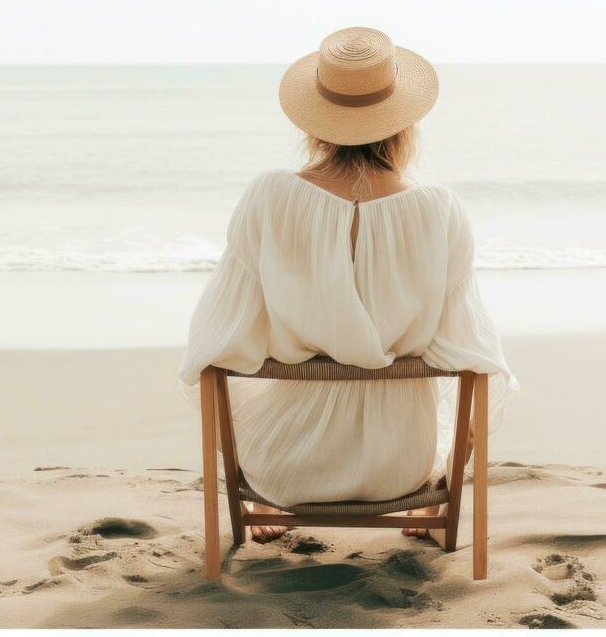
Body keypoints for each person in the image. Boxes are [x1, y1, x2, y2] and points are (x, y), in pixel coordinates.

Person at [179, 26, 518, 542]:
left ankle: (262, 511)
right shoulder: (439, 209)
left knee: (223, 376)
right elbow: (469, 348)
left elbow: (219, 337)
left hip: (285, 473)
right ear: (404, 124)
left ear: (315, 124)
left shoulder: (271, 196)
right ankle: (430, 512)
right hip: (398, 470)